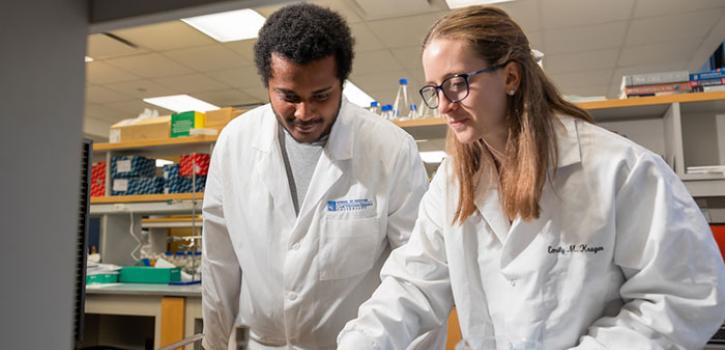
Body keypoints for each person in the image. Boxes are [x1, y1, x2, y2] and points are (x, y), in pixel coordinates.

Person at [338, 5, 725, 350]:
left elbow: (683, 298)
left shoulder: (620, 169)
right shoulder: (454, 181)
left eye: (457, 84)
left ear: (510, 77)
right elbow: (414, 283)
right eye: (434, 89)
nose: (443, 106)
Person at [201, 3, 441, 350]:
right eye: (288, 96)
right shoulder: (235, 143)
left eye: (321, 96)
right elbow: (218, 262)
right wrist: (213, 345)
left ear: (341, 83)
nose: (304, 113)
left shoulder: (389, 149)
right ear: (267, 85)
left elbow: (418, 274)